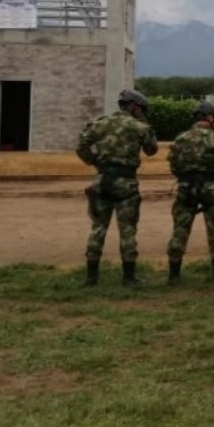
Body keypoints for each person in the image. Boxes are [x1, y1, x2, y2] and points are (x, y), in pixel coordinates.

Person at [76, 89, 159, 286]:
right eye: (140, 108)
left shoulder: (100, 123)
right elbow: (151, 150)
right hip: (126, 184)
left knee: (97, 229)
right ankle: (129, 277)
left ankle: (91, 277)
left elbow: (81, 147)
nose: (141, 111)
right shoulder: (139, 127)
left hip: (102, 181)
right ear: (133, 106)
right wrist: (147, 127)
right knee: (128, 230)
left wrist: (97, 163)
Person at [165, 101, 214, 284]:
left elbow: (174, 165)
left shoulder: (181, 138)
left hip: (186, 188)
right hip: (212, 190)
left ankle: (174, 275)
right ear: (210, 118)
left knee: (180, 230)